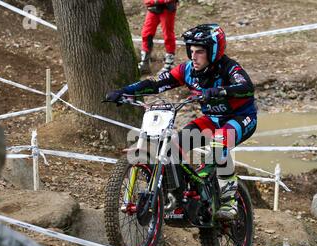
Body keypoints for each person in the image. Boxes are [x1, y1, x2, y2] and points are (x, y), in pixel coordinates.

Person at [105, 24, 257, 220]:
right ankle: (182, 195)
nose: (193, 56)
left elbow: (247, 87)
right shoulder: (187, 70)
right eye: (191, 51)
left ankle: (229, 202)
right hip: (211, 120)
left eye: (200, 51)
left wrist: (221, 90)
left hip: (240, 118)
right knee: (174, 144)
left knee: (220, 141)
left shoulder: (229, 68)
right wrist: (124, 91)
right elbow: (156, 83)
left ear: (213, 52)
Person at [139, 0, 178, 74]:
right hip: (153, 7)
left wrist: (156, 1)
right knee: (146, 34)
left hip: (166, 7)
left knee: (168, 35)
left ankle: (168, 65)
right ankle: (144, 63)